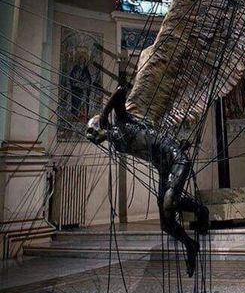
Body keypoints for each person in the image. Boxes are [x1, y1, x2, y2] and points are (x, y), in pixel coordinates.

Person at [86, 87, 209, 276]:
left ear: (102, 125)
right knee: (166, 224)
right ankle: (190, 245)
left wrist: (104, 114)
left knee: (169, 202)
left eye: (93, 130)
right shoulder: (116, 141)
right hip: (164, 168)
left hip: (176, 158)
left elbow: (119, 91)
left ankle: (201, 210)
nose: (93, 136)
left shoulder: (122, 120)